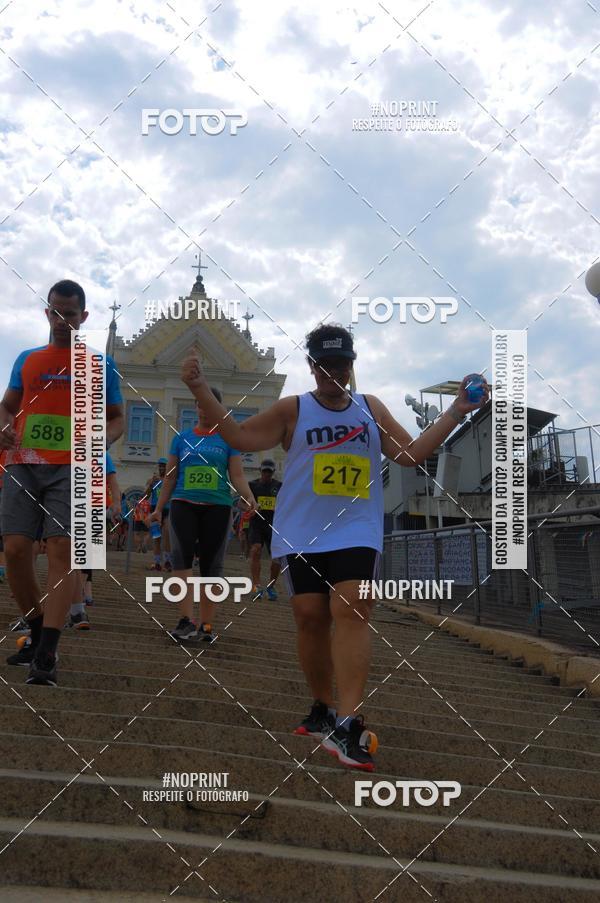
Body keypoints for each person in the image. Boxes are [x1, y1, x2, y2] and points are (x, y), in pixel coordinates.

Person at [180, 323, 488, 770]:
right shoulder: (294, 409)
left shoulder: (370, 409)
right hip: (301, 530)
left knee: (353, 608)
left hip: (356, 529)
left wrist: (456, 410)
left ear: (351, 365)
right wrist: (200, 387)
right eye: (323, 365)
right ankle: (322, 706)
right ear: (310, 366)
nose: (332, 372)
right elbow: (243, 439)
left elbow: (411, 453)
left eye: (340, 364)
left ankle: (347, 723)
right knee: (309, 618)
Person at [0, 279, 124, 684]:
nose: (61, 319)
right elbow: (7, 407)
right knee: (16, 549)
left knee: (63, 549)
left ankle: (48, 652)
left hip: (73, 466)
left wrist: (97, 441)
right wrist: (3, 427)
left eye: (70, 314)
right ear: (47, 311)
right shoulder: (27, 359)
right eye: (55, 311)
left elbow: (117, 418)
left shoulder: (100, 365)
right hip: (24, 462)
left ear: (83, 317)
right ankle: (37, 629)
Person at [150, 390, 256, 643]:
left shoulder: (228, 440)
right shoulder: (182, 439)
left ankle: (207, 625)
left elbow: (237, 475)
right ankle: (186, 621)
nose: (205, 409)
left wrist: (249, 496)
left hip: (217, 507)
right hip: (183, 504)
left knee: (211, 566)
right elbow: (171, 477)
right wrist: (158, 508)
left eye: (211, 405)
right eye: (201, 404)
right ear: (196, 407)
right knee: (181, 560)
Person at [247, 459, 282, 600]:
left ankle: (271, 586)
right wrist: (250, 508)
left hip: (274, 525)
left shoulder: (279, 486)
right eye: (264, 471)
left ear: (273, 472)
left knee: (277, 558)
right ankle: (257, 585)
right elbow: (240, 503)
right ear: (260, 471)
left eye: (269, 471)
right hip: (257, 524)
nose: (266, 474)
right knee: (255, 550)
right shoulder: (252, 485)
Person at [145, 458, 172, 571]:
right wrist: (150, 485)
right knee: (157, 537)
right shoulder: (153, 480)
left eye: (163, 466)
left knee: (167, 534)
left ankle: (167, 561)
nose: (161, 468)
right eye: (160, 466)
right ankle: (157, 563)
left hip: (168, 509)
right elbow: (145, 496)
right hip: (155, 509)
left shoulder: (170, 479)